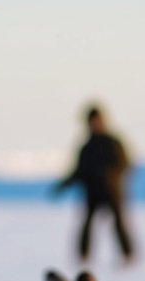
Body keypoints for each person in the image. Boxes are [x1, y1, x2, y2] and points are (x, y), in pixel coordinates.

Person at [53, 105, 136, 264]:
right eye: (92, 121)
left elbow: (125, 164)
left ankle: (128, 257)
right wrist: (63, 185)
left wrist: (109, 176)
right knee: (87, 223)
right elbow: (78, 171)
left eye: (97, 120)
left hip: (112, 192)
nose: (94, 124)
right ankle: (83, 257)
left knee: (119, 223)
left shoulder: (113, 143)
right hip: (93, 193)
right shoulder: (86, 147)